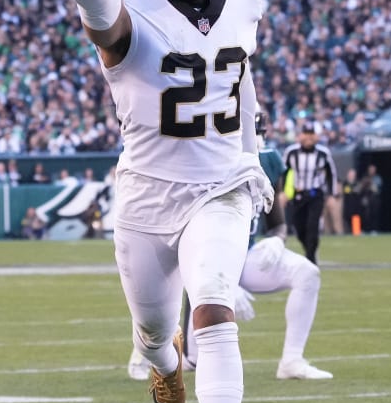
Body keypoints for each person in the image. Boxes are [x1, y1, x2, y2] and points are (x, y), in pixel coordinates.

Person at [22, 0, 271, 403]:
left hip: (220, 187)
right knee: (157, 337)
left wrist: (254, 151)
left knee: (213, 306)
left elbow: (240, 89)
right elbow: (106, 19)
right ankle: (165, 363)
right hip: (145, 195)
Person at [136, 113, 332, 382]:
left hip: (246, 255)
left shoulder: (268, 160)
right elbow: (186, 233)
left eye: (259, 129)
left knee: (307, 273)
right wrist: (222, 280)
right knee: (189, 356)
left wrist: (276, 240)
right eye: (253, 129)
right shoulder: (206, 161)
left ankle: (292, 360)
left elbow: (276, 222)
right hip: (206, 259)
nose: (258, 137)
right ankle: (149, 350)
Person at [283, 122, 336, 264]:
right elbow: (283, 172)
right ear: (300, 135)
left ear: (316, 136)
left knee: (312, 226)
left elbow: (331, 174)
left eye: (311, 134)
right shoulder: (291, 153)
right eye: (306, 134)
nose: (309, 137)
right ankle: (310, 251)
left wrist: (331, 194)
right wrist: (281, 192)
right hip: (298, 194)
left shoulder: (323, 153)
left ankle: (311, 260)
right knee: (299, 227)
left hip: (315, 194)